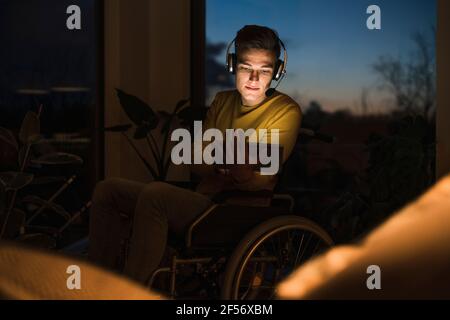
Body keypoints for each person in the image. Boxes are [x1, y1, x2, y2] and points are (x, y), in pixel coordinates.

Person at [89, 25, 302, 284]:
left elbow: (261, 177)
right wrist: (234, 161)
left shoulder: (285, 111)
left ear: (277, 72)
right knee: (108, 190)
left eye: (265, 71)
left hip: (236, 211)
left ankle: (130, 290)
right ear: (233, 64)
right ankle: (98, 281)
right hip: (203, 200)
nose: (254, 79)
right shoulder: (223, 102)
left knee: (156, 194)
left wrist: (225, 160)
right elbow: (197, 163)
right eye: (246, 68)